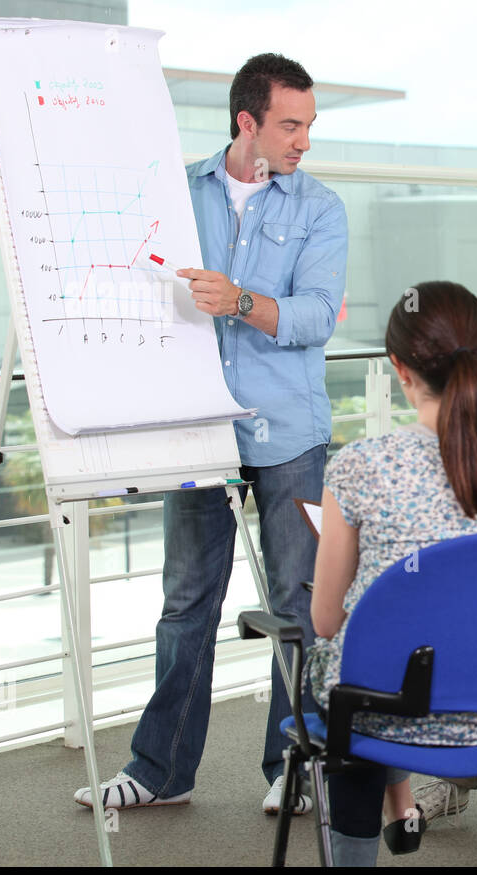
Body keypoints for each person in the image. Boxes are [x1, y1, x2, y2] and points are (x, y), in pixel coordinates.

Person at [75, 53, 348, 815]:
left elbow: (316, 316)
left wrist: (239, 302)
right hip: (194, 430)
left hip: (289, 432)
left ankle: (292, 768)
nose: (303, 141)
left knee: (298, 604)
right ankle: (159, 771)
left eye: (308, 125)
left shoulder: (320, 208)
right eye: (290, 125)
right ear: (247, 122)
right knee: (186, 599)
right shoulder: (175, 193)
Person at [303, 281, 477, 866]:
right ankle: (401, 809)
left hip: (385, 708)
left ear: (399, 368)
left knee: (356, 669)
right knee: (389, 657)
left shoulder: (358, 469)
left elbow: (325, 620)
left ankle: (361, 846)